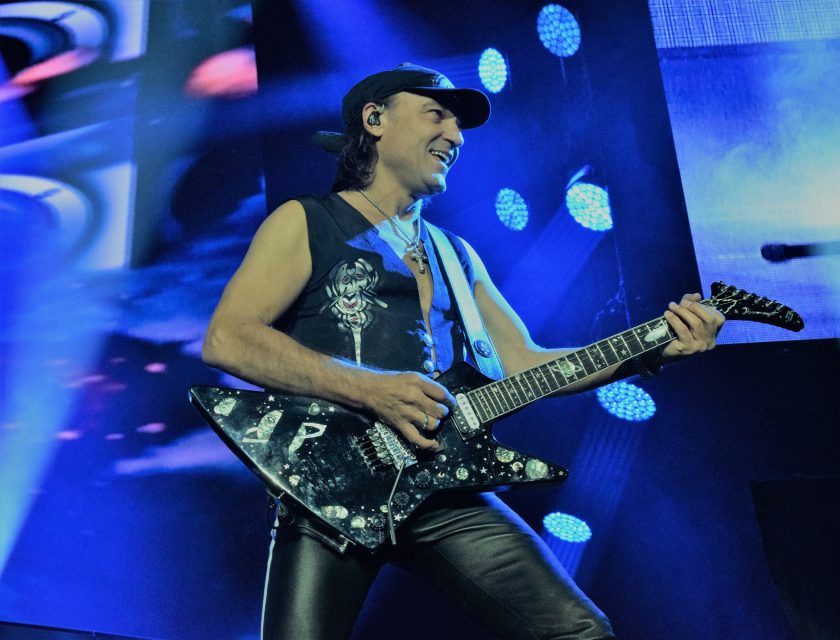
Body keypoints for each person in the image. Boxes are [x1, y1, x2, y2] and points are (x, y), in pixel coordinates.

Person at [202, 63, 724, 639]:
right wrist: (370, 388)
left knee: (580, 633)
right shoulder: (307, 220)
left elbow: (525, 362)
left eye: (458, 125)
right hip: (331, 490)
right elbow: (229, 338)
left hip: (445, 488)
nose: (455, 136)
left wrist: (653, 348)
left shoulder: (456, 253)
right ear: (375, 119)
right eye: (437, 115)